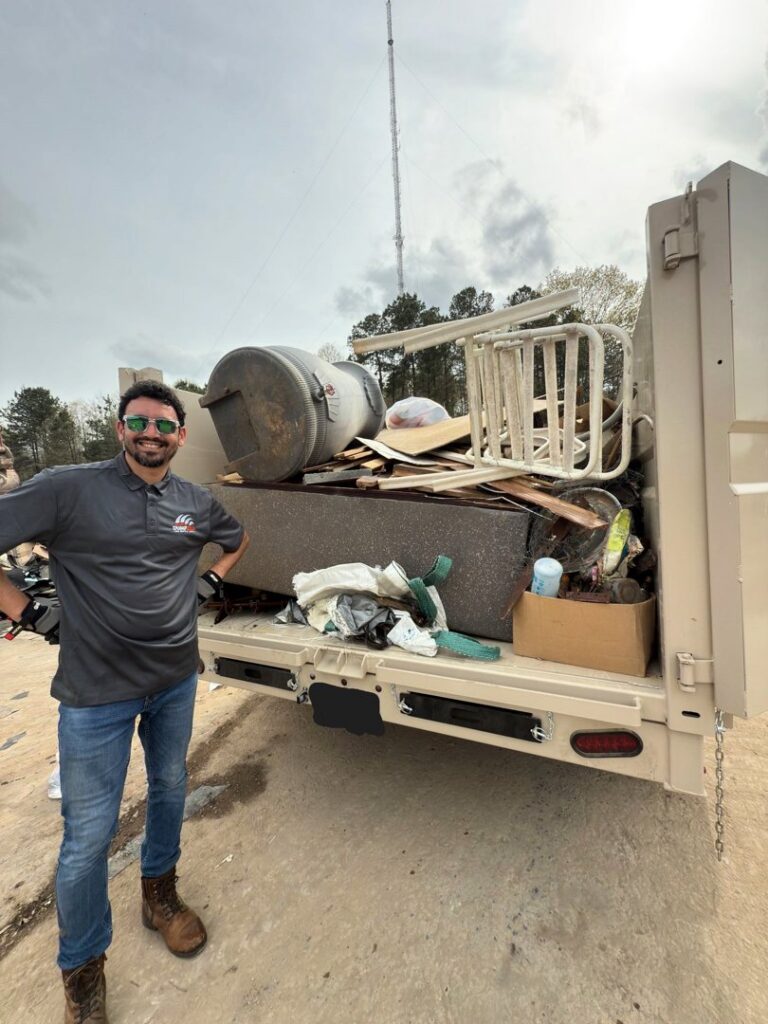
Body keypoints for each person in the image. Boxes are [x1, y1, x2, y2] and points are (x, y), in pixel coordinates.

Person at [0, 380, 249, 1023]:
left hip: (176, 680)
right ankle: (83, 974)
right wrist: (28, 612)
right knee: (87, 838)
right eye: (139, 422)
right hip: (95, 694)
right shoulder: (67, 488)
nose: (151, 434)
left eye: (164, 426)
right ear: (119, 427)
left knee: (170, 786)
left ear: (180, 437)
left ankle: (159, 896)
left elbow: (235, 538)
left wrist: (210, 581)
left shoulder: (194, 500)